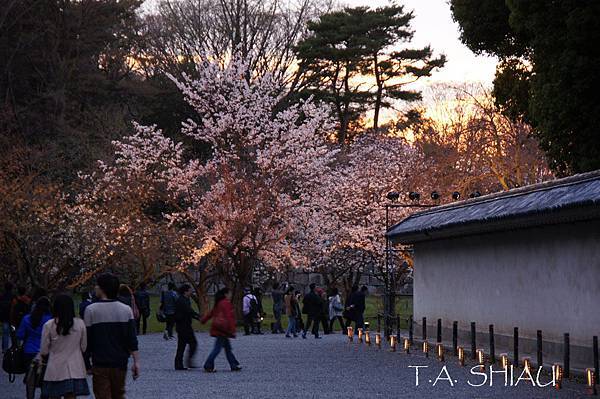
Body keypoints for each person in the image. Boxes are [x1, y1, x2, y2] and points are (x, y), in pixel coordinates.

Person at [84, 273, 139, 399]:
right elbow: (131, 339)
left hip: (100, 362)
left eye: (97, 286)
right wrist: (136, 361)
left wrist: (86, 363)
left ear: (102, 288)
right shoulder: (126, 309)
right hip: (120, 362)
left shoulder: (91, 310)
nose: (95, 288)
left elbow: (88, 340)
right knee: (119, 394)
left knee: (102, 395)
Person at [39, 294, 90, 398]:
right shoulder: (80, 324)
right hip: (75, 368)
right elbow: (84, 347)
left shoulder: (49, 325)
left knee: (53, 395)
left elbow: (44, 351)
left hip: (55, 368)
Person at [17, 296, 52, 399]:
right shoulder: (50, 319)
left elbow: (20, 335)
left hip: (29, 351)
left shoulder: (27, 319)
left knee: (30, 380)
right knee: (44, 379)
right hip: (46, 352)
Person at [200, 287, 241, 372]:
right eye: (229, 293)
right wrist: (232, 330)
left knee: (227, 348)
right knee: (217, 349)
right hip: (224, 330)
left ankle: (234, 364)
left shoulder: (218, 303)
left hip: (218, 328)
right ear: (226, 294)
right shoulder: (226, 303)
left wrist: (203, 320)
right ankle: (208, 364)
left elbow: (211, 313)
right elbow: (229, 317)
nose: (230, 295)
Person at [174, 284, 199, 370]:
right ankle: (184, 362)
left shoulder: (185, 299)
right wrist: (197, 317)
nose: (191, 291)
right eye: (190, 290)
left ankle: (179, 363)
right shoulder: (182, 300)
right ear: (186, 291)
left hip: (184, 325)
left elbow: (189, 311)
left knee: (182, 345)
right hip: (183, 326)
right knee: (191, 343)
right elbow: (189, 311)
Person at [1, 282, 15, 352]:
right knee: (13, 332)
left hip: (4, 317)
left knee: (5, 333)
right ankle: (14, 346)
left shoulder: (2, 296)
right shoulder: (13, 296)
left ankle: (5, 348)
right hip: (12, 317)